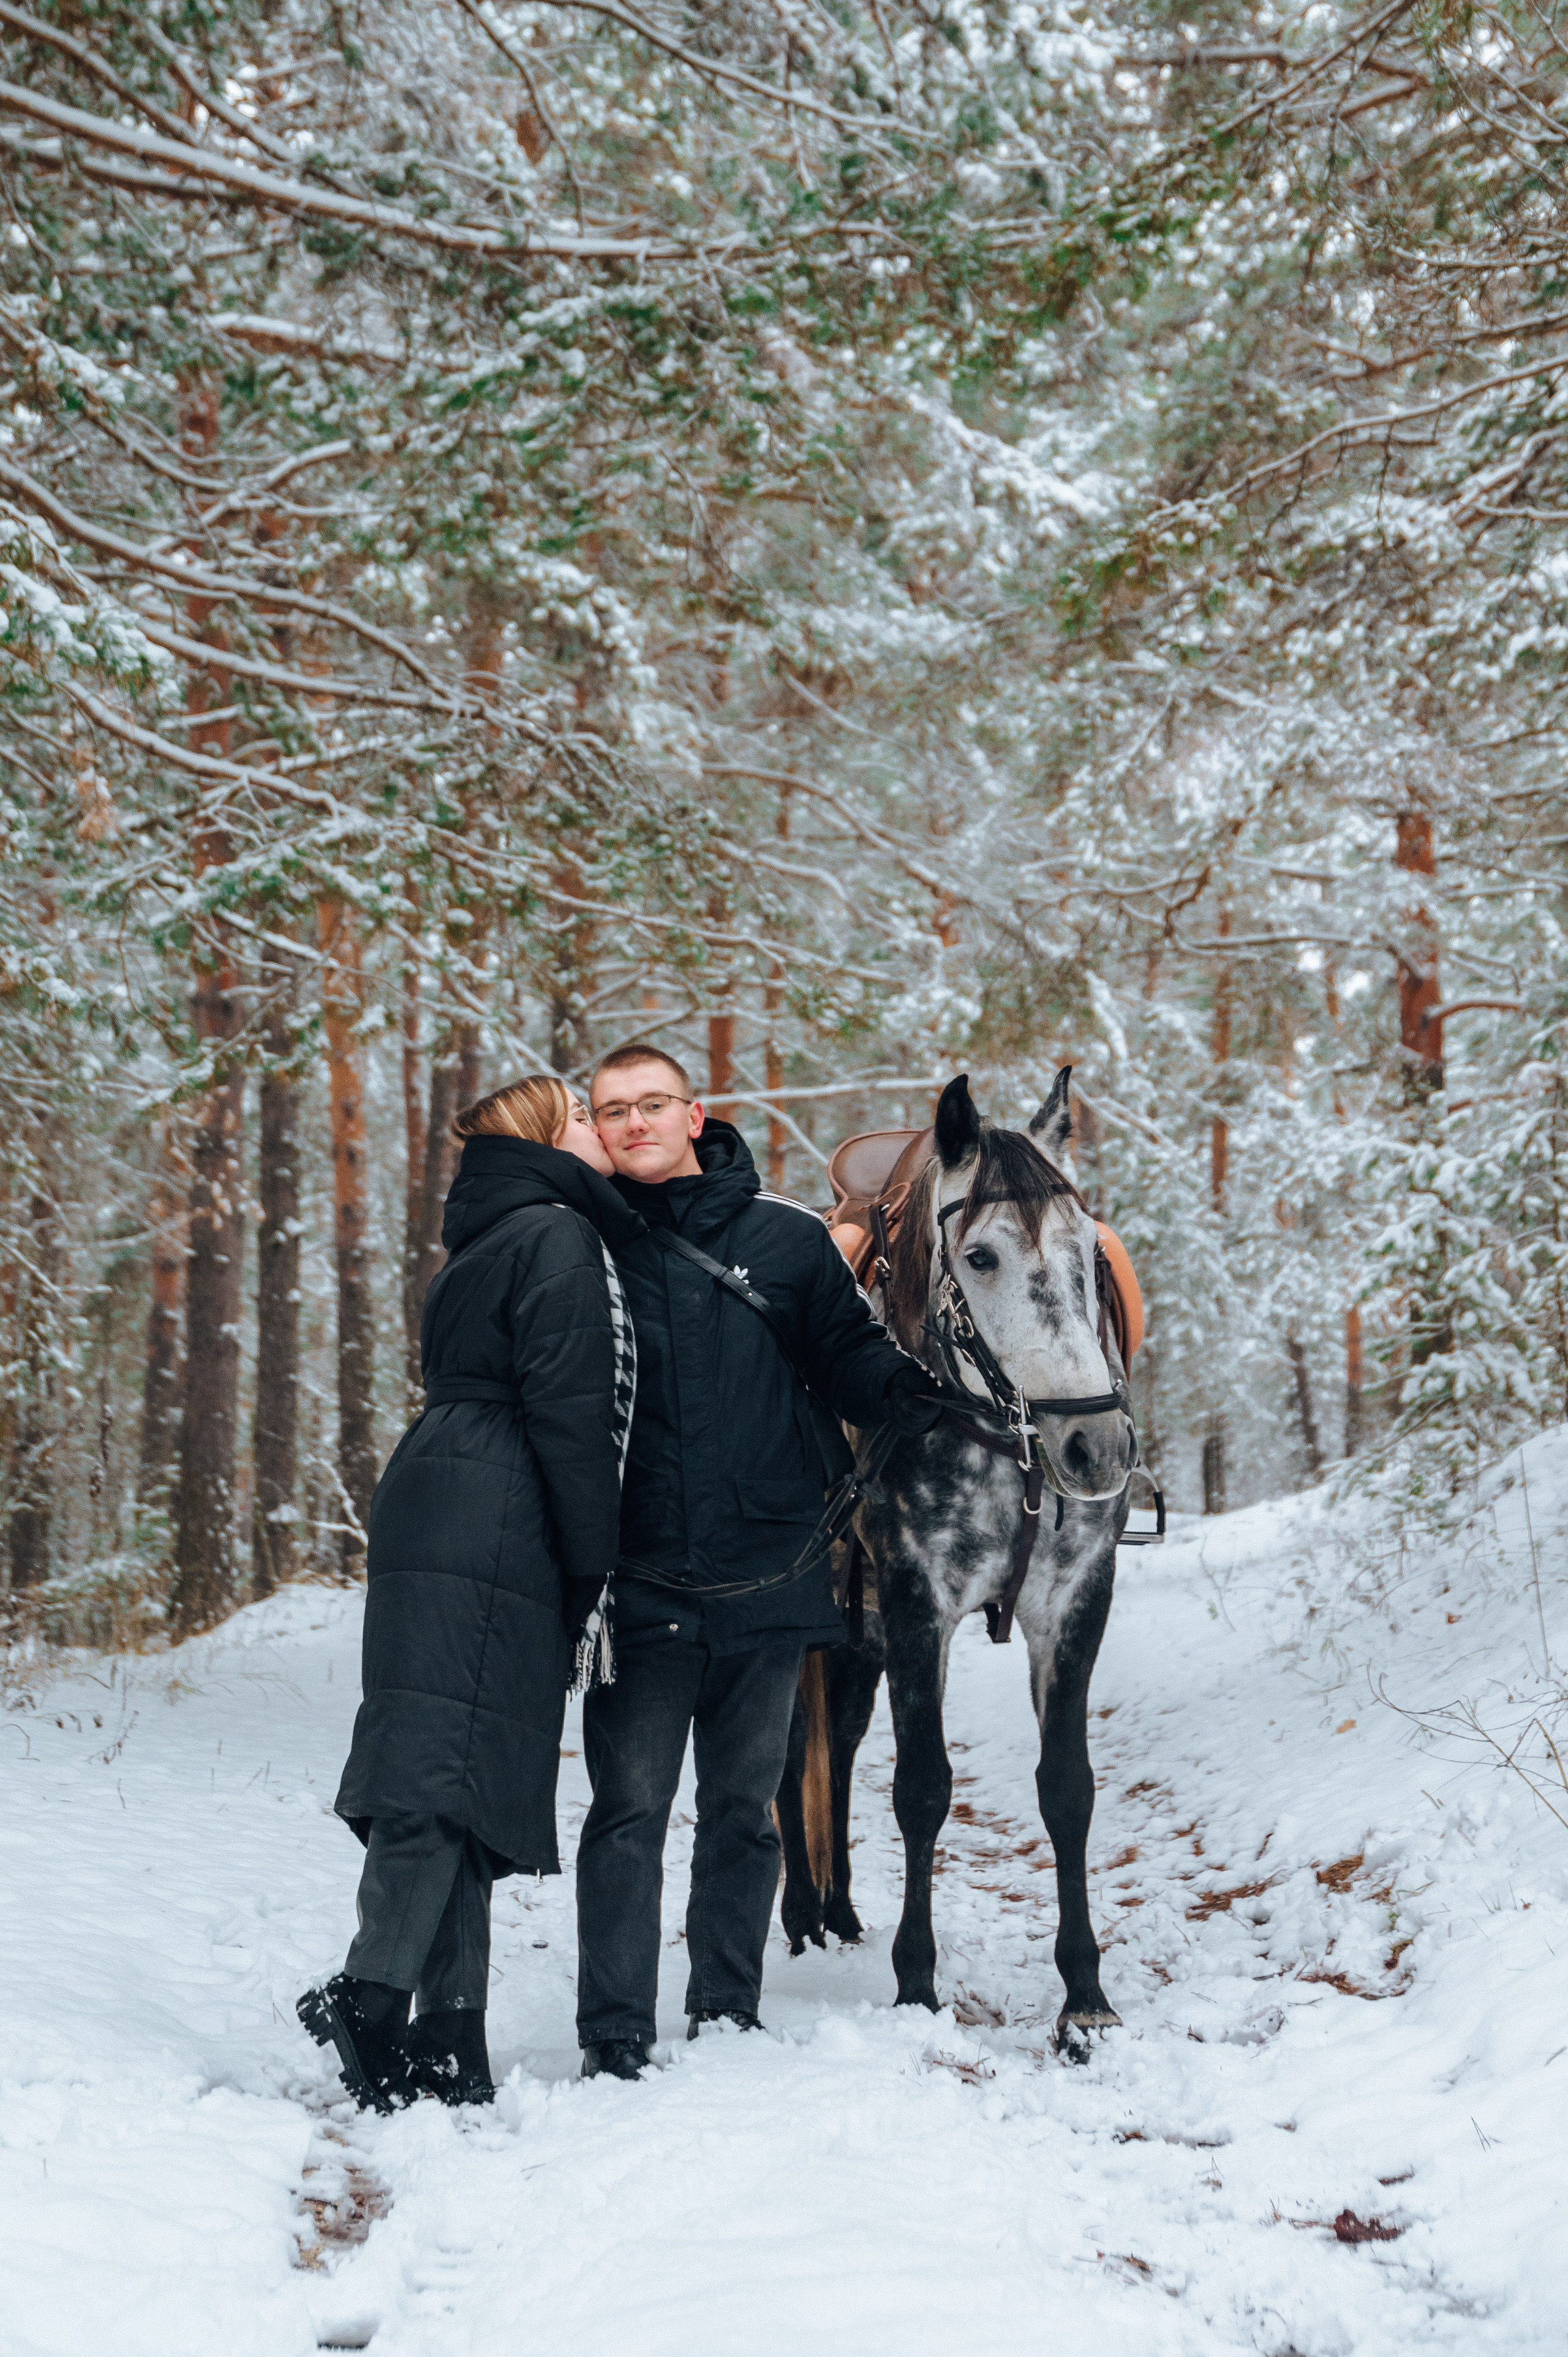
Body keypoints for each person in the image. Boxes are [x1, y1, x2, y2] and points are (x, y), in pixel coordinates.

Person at [575, 1045, 940, 2080]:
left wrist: (909, 1391)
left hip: (771, 1573)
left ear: (698, 1117)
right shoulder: (576, 1243)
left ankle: (727, 2007)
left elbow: (847, 1355)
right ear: (594, 1130)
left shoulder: (784, 1239)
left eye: (653, 1104)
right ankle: (614, 2031)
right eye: (613, 1111)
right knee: (628, 1812)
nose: (635, 1122)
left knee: (742, 1811)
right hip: (638, 1580)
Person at [299, 1075, 642, 2111]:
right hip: (499, 1503)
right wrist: (595, 1566)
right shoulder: (555, 1235)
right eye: (583, 1116)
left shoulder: (495, 1230)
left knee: (463, 1761)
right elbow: (576, 1416)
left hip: (447, 1486)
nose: (603, 1130)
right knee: (446, 1763)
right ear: (544, 1138)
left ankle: (451, 2039)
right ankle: (369, 1993)